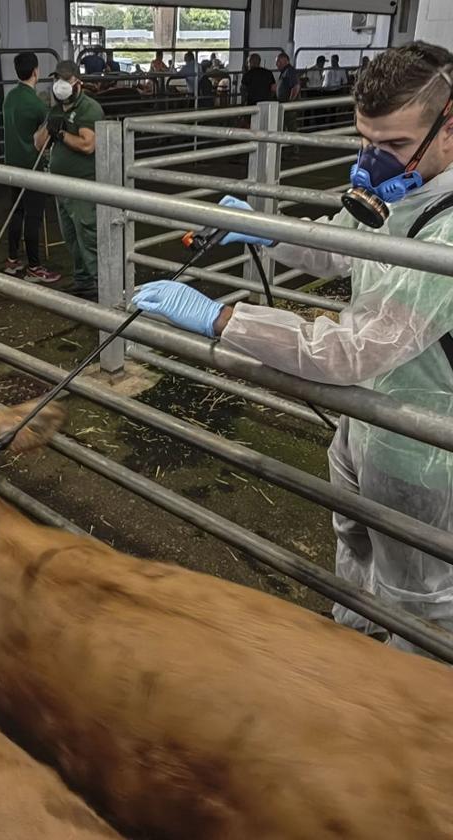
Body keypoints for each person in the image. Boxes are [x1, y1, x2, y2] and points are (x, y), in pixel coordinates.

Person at [131, 42, 453, 660]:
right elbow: (339, 245)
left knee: (419, 598)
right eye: (365, 141)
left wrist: (221, 317)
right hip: (365, 420)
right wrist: (265, 227)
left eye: (389, 145)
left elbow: (355, 349)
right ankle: (351, 645)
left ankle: (401, 707)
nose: (371, 162)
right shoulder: (408, 183)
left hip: (421, 440)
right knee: (353, 540)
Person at [44, 60, 103, 300]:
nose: (61, 85)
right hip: (61, 186)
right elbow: (38, 143)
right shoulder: (56, 109)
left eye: (66, 80)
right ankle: (83, 280)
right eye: (58, 79)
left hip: (83, 185)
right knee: (71, 237)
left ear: (78, 82)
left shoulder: (89, 108)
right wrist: (48, 126)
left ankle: (103, 285)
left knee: (88, 236)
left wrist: (61, 133)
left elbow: (88, 145)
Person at [2, 51, 57, 282]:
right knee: (33, 216)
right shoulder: (36, 104)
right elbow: (45, 137)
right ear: (36, 71)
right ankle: (34, 267)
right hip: (31, 165)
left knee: (17, 212)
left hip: (12, 164)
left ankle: (12, 260)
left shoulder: (10, 97)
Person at [275, 52, 301, 132]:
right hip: (285, 105)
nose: (277, 64)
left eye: (278, 62)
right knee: (288, 126)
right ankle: (291, 143)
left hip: (289, 106)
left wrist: (290, 102)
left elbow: (296, 86)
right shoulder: (285, 71)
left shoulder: (289, 71)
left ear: (285, 60)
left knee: (291, 126)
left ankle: (294, 144)